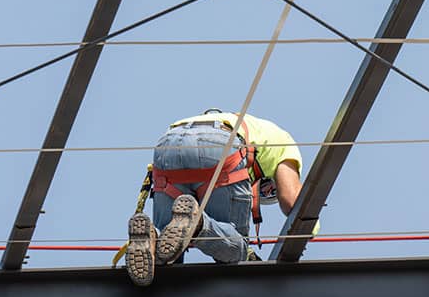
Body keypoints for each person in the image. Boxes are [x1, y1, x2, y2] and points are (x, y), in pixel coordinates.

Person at [125, 109, 304, 286]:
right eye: (269, 189)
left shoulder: (249, 126)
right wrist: (310, 226)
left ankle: (152, 237)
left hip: (168, 144)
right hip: (220, 145)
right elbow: (292, 200)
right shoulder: (285, 143)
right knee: (237, 249)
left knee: (168, 249)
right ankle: (198, 225)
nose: (265, 191)